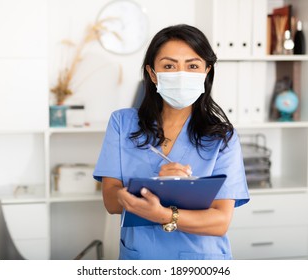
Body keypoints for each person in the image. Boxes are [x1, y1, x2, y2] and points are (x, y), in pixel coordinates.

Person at [93, 24, 249, 260]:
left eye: (193, 66)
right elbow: (112, 203)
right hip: (141, 258)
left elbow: (219, 222)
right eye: (169, 66)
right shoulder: (122, 123)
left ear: (207, 71)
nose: (181, 75)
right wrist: (153, 189)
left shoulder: (222, 137)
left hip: (201, 261)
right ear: (153, 73)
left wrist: (163, 213)